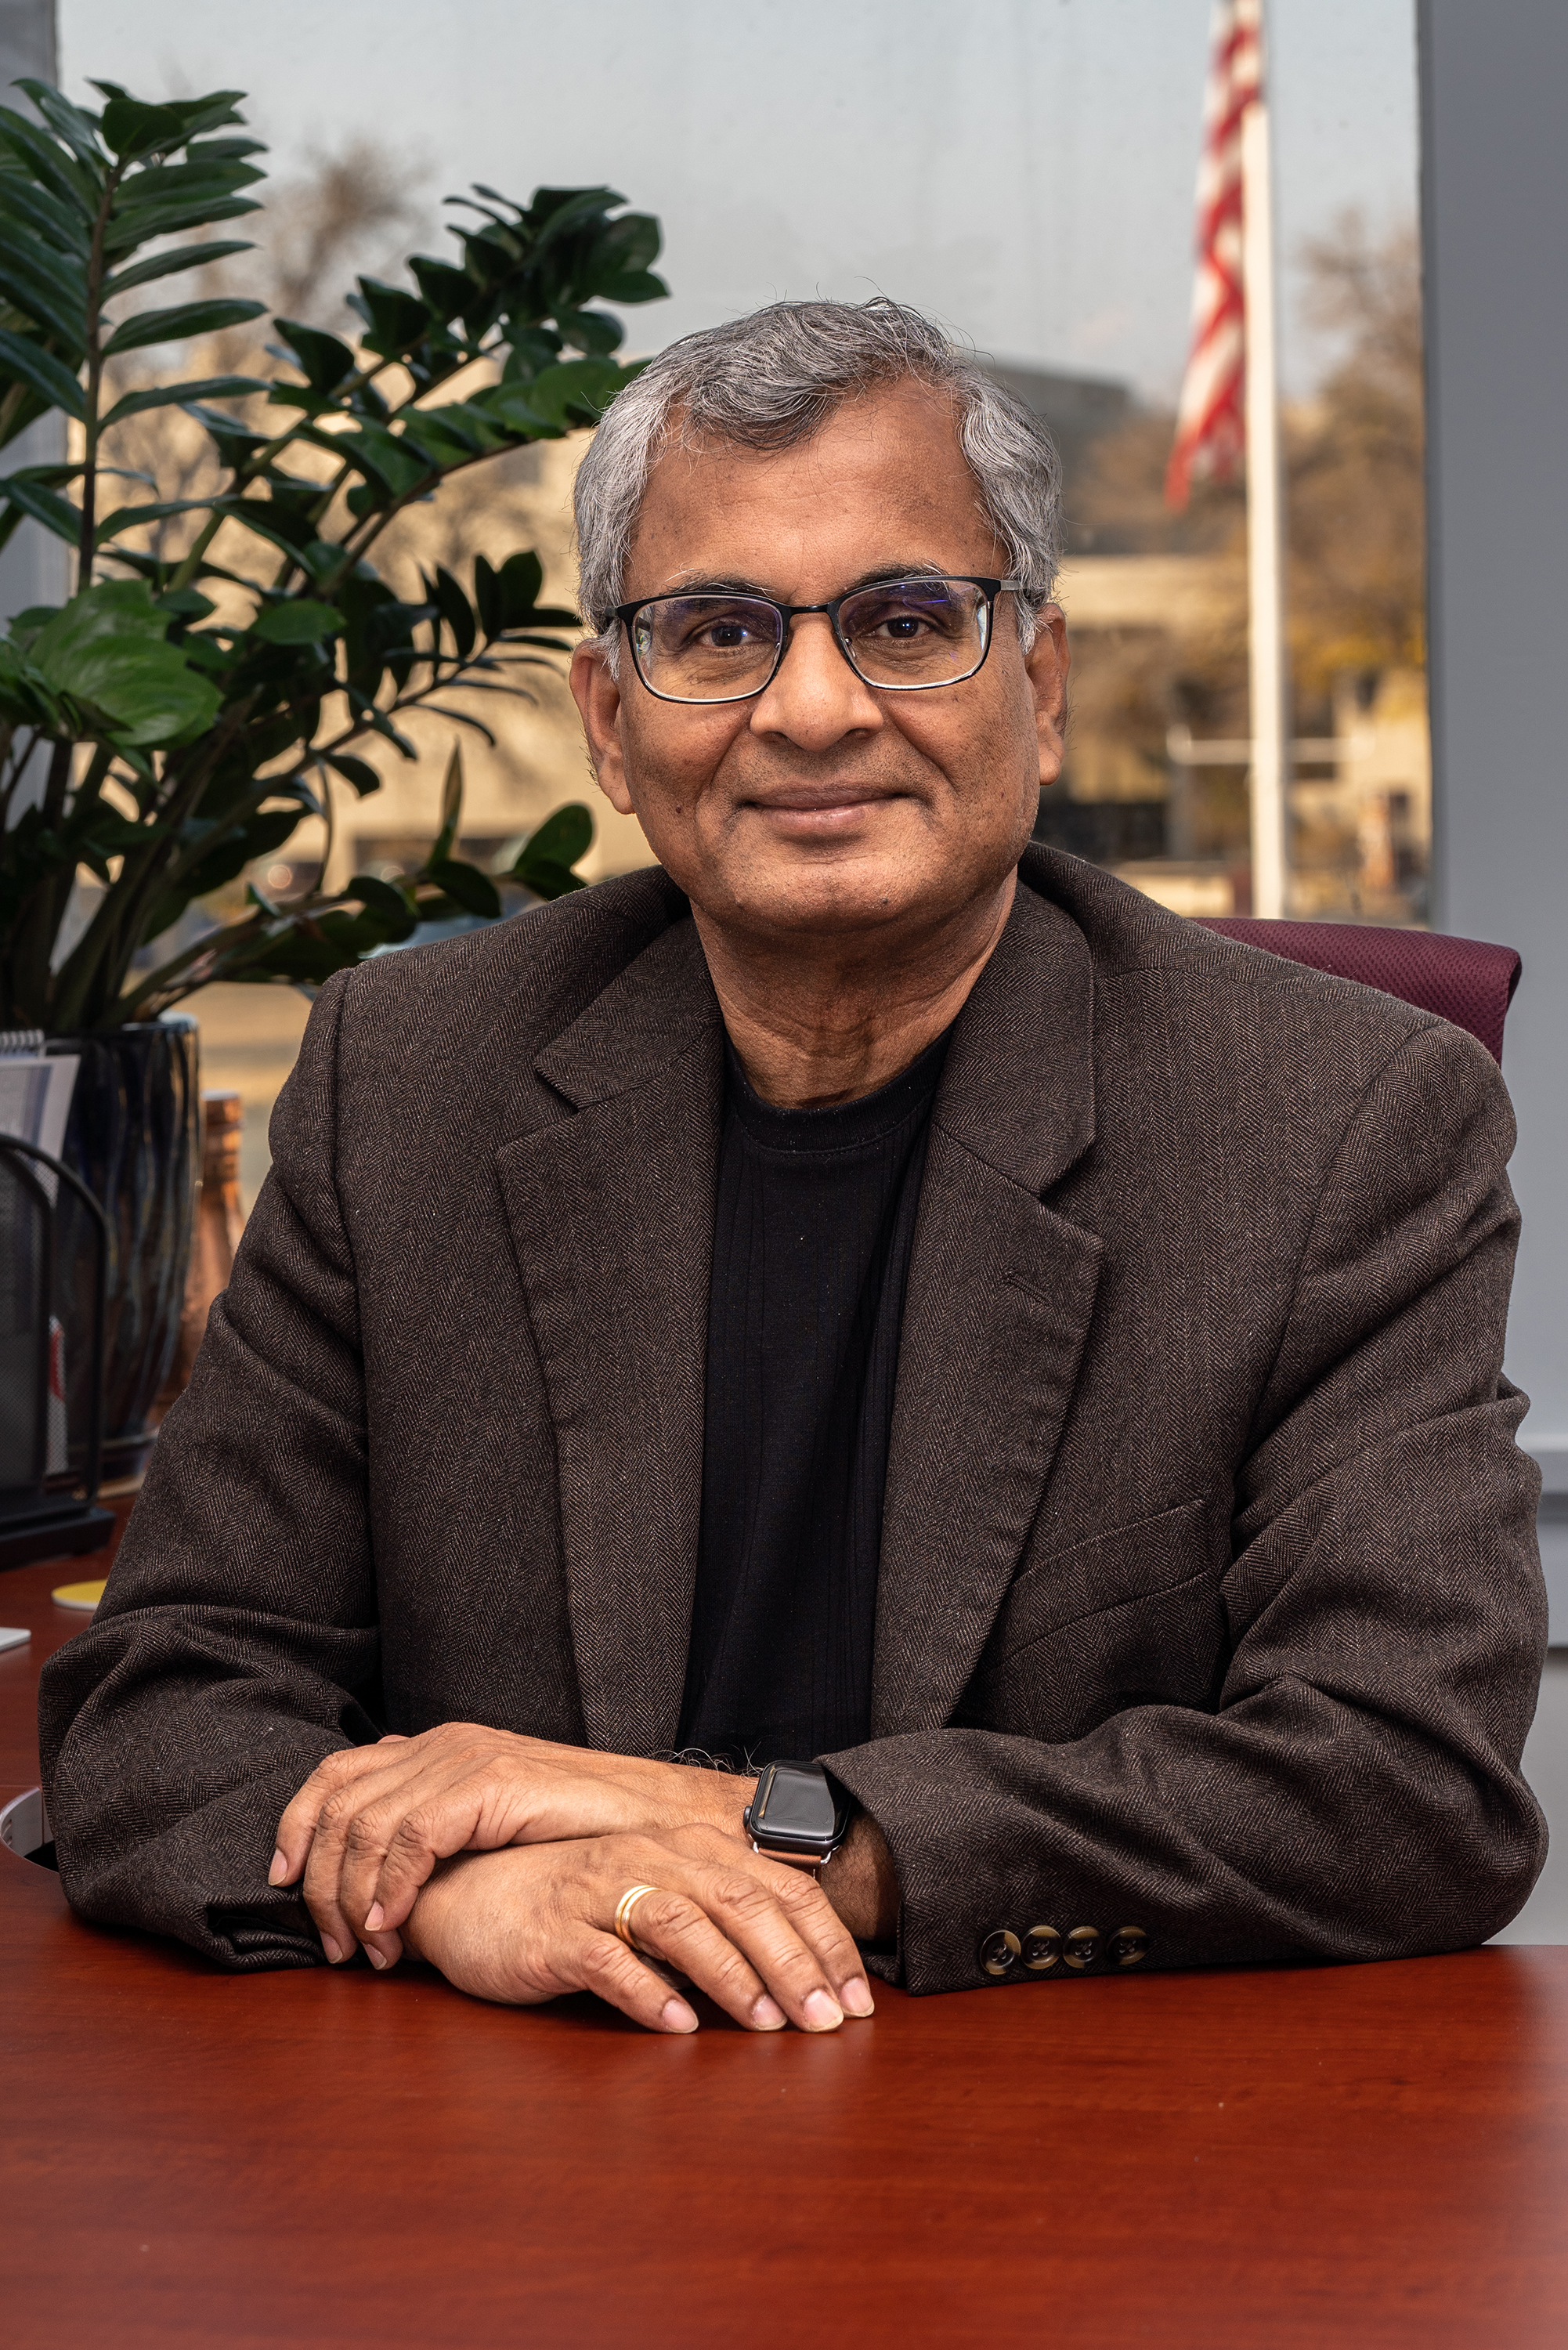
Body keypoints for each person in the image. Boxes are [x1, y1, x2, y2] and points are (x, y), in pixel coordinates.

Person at [40, 299, 1547, 2035]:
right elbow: (158, 1707)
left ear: (1038, 691)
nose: (813, 708)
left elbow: (1400, 1786)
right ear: (611, 724)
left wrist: (762, 1827)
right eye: (716, 632)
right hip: (514, 2158)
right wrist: (461, 1883)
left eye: (908, 621)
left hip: (1070, 2160)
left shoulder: (1335, 1118)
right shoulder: (413, 1086)